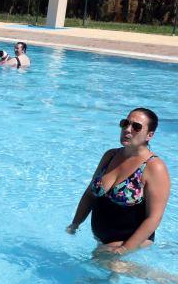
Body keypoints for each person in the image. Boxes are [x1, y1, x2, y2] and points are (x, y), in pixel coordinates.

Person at [67, 108, 171, 256]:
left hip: (129, 240)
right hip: (104, 240)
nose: (128, 129)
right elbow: (90, 194)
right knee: (96, 274)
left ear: (149, 135)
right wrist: (75, 223)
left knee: (97, 265)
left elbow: (154, 217)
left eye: (136, 127)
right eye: (125, 123)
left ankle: (159, 277)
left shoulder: (154, 167)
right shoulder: (110, 155)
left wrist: (124, 249)